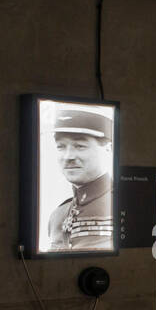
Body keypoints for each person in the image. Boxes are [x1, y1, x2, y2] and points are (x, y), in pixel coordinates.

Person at [46, 107, 115, 251]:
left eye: (80, 146)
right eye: (61, 147)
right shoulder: (57, 215)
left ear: (108, 148)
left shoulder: (122, 204)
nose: (68, 156)